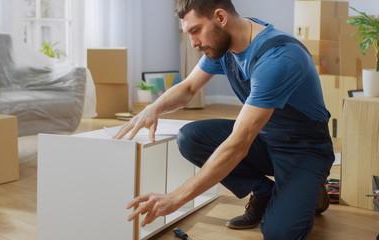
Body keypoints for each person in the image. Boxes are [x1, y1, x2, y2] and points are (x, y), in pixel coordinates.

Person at [114, 0, 334, 239]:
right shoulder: (224, 46)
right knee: (190, 137)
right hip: (265, 139)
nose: (194, 43)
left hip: (303, 149)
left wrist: (175, 198)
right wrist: (152, 109)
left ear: (220, 17)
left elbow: (238, 146)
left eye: (196, 31)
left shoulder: (278, 57)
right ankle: (265, 191)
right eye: (189, 33)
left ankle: (311, 190)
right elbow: (188, 88)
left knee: (277, 233)